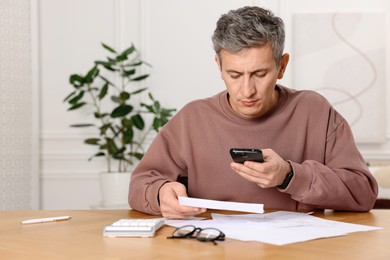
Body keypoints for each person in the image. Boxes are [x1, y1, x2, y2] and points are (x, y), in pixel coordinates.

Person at [128, 6, 378, 219]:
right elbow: (140, 184)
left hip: (296, 251)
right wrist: (160, 194)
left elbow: (363, 193)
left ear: (282, 66)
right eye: (234, 75)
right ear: (219, 65)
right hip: (213, 250)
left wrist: (290, 175)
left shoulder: (315, 111)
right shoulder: (192, 118)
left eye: (260, 74)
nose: (246, 90)